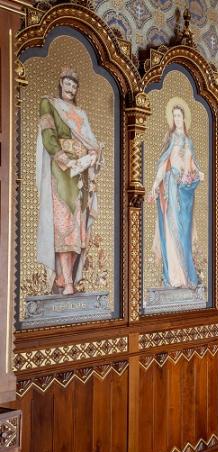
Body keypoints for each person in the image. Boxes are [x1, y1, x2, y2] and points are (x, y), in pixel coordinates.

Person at [36, 67, 103, 295]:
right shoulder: (50, 104)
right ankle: (67, 282)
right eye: (67, 84)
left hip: (82, 172)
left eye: (74, 85)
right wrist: (65, 160)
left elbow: (91, 142)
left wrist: (93, 154)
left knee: (79, 226)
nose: (71, 88)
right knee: (64, 223)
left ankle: (66, 277)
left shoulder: (81, 114)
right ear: (60, 83)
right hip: (62, 170)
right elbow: (48, 135)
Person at [147, 97, 203, 289]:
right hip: (171, 186)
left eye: (179, 116)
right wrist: (155, 184)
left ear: (184, 118)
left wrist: (198, 173)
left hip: (185, 191)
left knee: (184, 230)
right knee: (172, 228)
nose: (177, 119)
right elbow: (164, 163)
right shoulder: (171, 138)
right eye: (174, 116)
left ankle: (186, 275)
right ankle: (174, 276)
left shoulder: (188, 141)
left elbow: (192, 164)